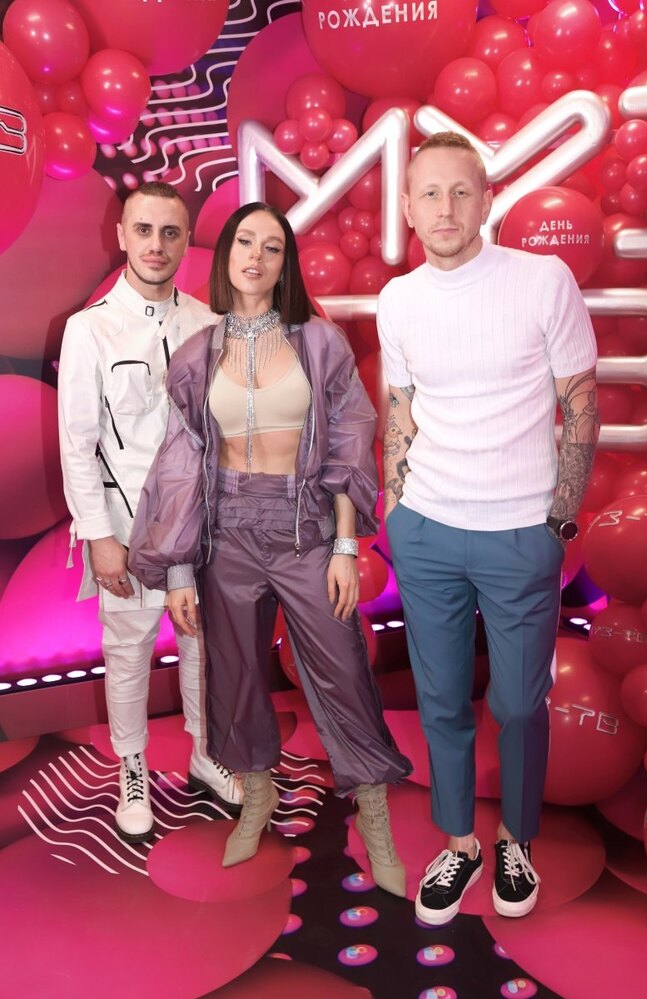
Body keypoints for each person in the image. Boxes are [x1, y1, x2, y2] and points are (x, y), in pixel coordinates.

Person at [128, 201, 412, 894]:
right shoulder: (197, 354)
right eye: (245, 242)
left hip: (306, 529)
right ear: (226, 254)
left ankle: (374, 816)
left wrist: (345, 544)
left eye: (273, 247)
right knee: (234, 674)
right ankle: (257, 797)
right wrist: (180, 568)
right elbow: (181, 465)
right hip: (226, 534)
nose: (256, 256)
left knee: (343, 669)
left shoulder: (319, 342)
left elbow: (349, 439)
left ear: (286, 265)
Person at [377, 132, 599, 923]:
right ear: (408, 209)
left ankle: (515, 838)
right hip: (427, 531)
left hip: (519, 533)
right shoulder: (398, 300)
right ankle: (459, 842)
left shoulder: (542, 280)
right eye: (429, 193)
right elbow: (399, 411)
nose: (445, 207)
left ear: (487, 200)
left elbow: (580, 402)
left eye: (460, 191)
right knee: (440, 700)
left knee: (520, 703)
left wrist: (558, 518)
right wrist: (396, 509)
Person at [58, 181, 242, 845]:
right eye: (144, 230)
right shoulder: (90, 329)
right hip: (128, 526)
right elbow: (76, 443)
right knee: (129, 650)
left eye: (169, 232)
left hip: (201, 526)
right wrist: (99, 537)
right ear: (122, 236)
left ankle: (205, 752)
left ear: (185, 239)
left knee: (204, 645)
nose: (156, 245)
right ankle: (131, 767)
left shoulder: (208, 324)